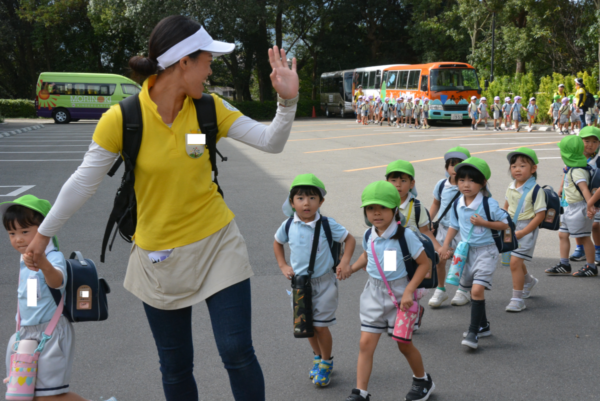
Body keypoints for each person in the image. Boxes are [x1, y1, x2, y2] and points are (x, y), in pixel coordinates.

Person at [24, 15, 300, 401]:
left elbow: (270, 142)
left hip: (218, 244)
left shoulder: (209, 108)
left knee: (237, 351)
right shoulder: (123, 119)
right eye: (207, 61)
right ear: (184, 61)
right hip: (158, 258)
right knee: (175, 366)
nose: (210, 70)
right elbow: (81, 184)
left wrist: (287, 101)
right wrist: (43, 234)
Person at [1, 195, 117, 401]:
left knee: (50, 396)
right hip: (26, 334)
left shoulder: (52, 257)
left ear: (46, 230)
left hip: (51, 333)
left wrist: (43, 262)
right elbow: (30, 299)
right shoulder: (23, 259)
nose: (17, 239)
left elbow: (57, 282)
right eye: (12, 233)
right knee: (26, 394)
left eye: (25, 232)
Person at [342, 181, 435, 401]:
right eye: (371, 208)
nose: (376, 213)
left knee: (403, 344)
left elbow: (425, 264)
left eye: (383, 208)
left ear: (394, 209)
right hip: (373, 294)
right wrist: (350, 269)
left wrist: (408, 291)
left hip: (400, 296)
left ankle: (423, 380)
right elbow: (367, 255)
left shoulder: (406, 236)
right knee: (365, 343)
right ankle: (360, 393)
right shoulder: (368, 235)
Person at [273, 174, 356, 388]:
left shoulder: (328, 224)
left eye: (312, 197)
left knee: (321, 326)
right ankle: (318, 358)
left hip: (325, 283)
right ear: (292, 203)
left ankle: (327, 363)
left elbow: (349, 239)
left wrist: (345, 262)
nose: (306, 203)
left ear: (321, 202)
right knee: (307, 325)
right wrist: (283, 265)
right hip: (300, 285)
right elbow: (277, 242)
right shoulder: (289, 224)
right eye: (300, 198)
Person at [439, 157, 509, 350]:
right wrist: (445, 246)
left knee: (477, 290)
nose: (466, 184)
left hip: (487, 252)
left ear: (483, 183)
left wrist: (485, 223)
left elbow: (505, 224)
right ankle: (484, 326)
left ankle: (473, 332)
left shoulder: (489, 204)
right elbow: (454, 225)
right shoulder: (457, 203)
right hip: (466, 251)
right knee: (472, 289)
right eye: (461, 180)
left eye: (472, 180)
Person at [385, 160, 440, 330]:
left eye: (403, 180)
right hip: (389, 253)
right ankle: (395, 316)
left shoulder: (416, 206)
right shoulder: (382, 204)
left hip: (413, 255)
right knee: (391, 284)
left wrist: (438, 248)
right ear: (386, 182)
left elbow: (425, 232)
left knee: (412, 286)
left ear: (412, 183)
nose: (398, 185)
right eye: (393, 180)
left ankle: (412, 316)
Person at [546, 135, 597, 277]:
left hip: (578, 208)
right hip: (569, 207)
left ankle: (591, 267)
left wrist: (589, 206)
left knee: (584, 237)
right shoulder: (573, 168)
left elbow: (584, 189)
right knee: (563, 234)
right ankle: (564, 264)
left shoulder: (577, 170)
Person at [503, 149, 546, 312]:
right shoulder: (511, 186)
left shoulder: (536, 190)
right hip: (511, 227)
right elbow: (506, 207)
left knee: (514, 262)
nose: (517, 169)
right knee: (515, 261)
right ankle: (528, 281)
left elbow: (540, 215)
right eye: (513, 166)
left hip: (526, 228)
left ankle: (517, 299)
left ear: (533, 169)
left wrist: (523, 232)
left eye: (522, 165)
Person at [428, 147, 471, 308]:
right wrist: (428, 222)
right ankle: (440, 289)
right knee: (440, 259)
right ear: (447, 168)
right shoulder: (441, 185)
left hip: (465, 230)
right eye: (452, 164)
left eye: (460, 164)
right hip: (444, 228)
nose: (455, 168)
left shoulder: (470, 186)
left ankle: (463, 290)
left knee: (464, 260)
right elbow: (435, 204)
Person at [569, 127, 600, 264]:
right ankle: (580, 248)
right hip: (577, 198)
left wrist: (592, 202)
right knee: (579, 223)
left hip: (595, 199)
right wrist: (560, 188)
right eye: (586, 140)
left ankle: (598, 249)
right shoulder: (574, 158)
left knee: (595, 225)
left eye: (595, 141)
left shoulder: (598, 160)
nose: (590, 144)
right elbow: (567, 174)